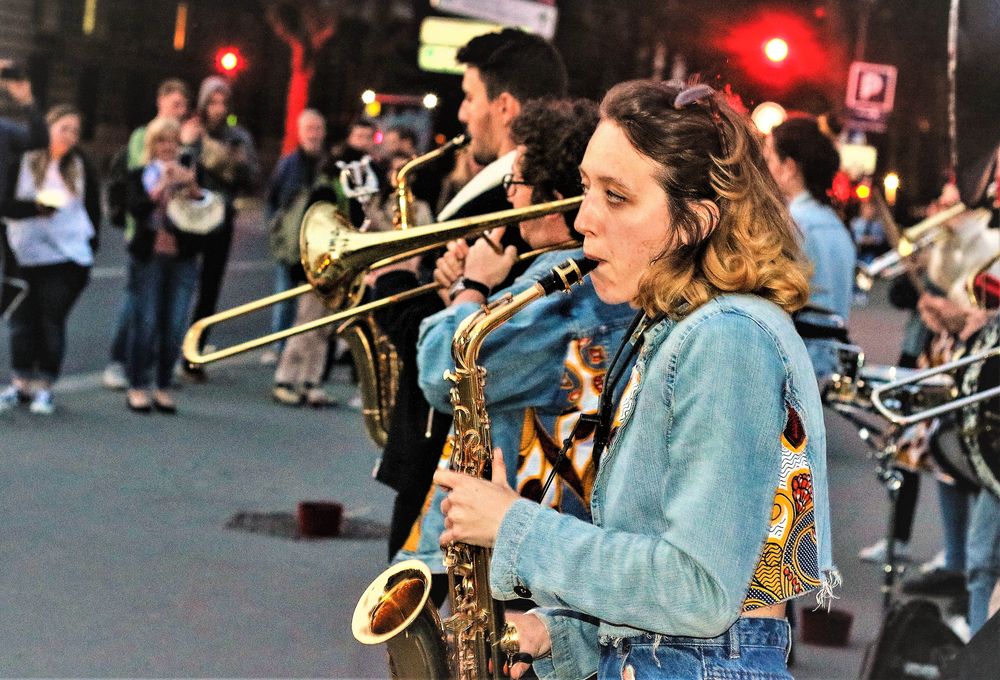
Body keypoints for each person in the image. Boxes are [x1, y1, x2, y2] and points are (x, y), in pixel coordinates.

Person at [435, 81, 836, 680]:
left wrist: (514, 525)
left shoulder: (726, 337)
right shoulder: (678, 327)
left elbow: (699, 591)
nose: (581, 219)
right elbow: (683, 580)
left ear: (694, 221)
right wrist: (557, 633)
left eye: (616, 197)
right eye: (585, 188)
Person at [395, 99, 634, 599]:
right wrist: (469, 293)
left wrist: (469, 289)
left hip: (510, 555)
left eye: (518, 184)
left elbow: (445, 372)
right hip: (547, 538)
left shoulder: (558, 294)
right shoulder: (605, 284)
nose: (512, 199)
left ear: (552, 194)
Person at [370, 27, 568, 565]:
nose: (461, 114)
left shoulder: (512, 205)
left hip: (457, 452)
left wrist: (393, 284)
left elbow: (452, 359)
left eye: (470, 97)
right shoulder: (501, 191)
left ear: (504, 107)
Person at [0, 105, 99, 415]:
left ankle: (45, 386)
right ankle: (19, 383)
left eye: (74, 131)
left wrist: (88, 251)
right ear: (47, 129)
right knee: (21, 321)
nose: (69, 137)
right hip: (24, 255)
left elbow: (93, 211)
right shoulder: (23, 162)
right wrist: (35, 209)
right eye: (63, 128)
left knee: (50, 320)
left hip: (67, 258)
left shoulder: (80, 165)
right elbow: (5, 205)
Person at [102, 78, 191, 390]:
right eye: (174, 104)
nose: (180, 111)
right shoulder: (145, 135)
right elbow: (138, 178)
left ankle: (152, 364)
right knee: (136, 301)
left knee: (162, 306)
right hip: (143, 231)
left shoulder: (185, 140)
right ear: (160, 102)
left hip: (174, 237)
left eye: (183, 106)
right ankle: (119, 360)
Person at [123, 117, 208, 413]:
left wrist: (192, 186)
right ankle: (137, 385)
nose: (167, 147)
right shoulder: (140, 174)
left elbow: (208, 214)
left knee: (174, 324)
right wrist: (161, 185)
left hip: (182, 258)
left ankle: (163, 385)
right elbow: (135, 209)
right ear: (152, 145)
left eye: (172, 141)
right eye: (161, 141)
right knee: (145, 322)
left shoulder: (191, 173)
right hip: (149, 257)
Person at [180, 76, 260, 382]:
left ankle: (194, 353)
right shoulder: (192, 131)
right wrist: (189, 143)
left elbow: (253, 178)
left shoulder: (238, 137)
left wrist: (239, 163)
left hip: (220, 218)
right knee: (181, 284)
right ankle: (168, 349)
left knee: (209, 290)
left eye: (223, 102)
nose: (218, 109)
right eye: (212, 102)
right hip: (189, 216)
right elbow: (179, 162)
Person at [765, 115, 856, 379]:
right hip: (828, 360)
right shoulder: (835, 224)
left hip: (797, 360)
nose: (765, 168)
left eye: (770, 159)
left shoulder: (794, 224)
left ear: (789, 167)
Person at [261, 108, 326, 366]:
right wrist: (276, 231)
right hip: (290, 243)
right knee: (285, 296)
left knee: (313, 305)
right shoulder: (287, 164)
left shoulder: (329, 165)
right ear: (300, 133)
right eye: (308, 129)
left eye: (317, 129)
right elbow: (272, 200)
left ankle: (303, 354)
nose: (313, 134)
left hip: (319, 245)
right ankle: (280, 346)